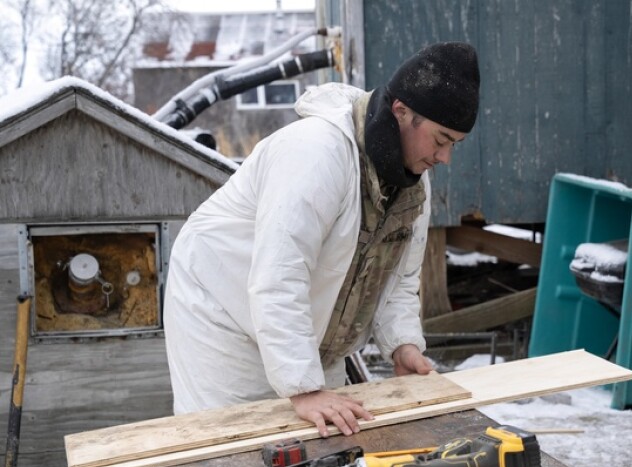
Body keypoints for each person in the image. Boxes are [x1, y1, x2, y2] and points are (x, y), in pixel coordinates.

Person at [163, 42, 481, 438]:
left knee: (326, 442)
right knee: (229, 446)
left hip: (311, 323)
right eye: (440, 139)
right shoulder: (315, 153)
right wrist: (304, 387)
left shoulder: (414, 184)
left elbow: (397, 278)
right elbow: (279, 275)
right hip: (222, 310)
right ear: (401, 112)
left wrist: (403, 345)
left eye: (455, 144)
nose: (446, 157)